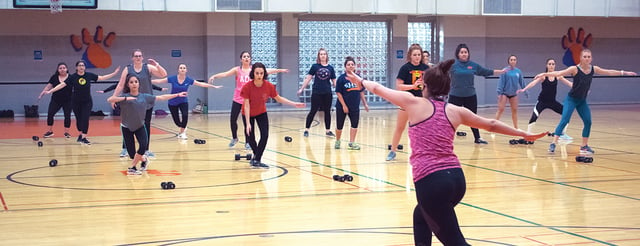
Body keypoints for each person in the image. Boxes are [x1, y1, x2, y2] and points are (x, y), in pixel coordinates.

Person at [345, 59, 547, 246]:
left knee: (456, 242)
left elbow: (378, 88)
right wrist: (523, 133)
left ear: (425, 86)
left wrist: (361, 79)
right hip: (457, 180)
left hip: (433, 184)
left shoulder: (413, 103)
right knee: (421, 217)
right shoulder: (455, 110)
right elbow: (492, 124)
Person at [534, 49, 637, 153]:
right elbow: (559, 73)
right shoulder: (574, 69)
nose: (587, 59)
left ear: (591, 58)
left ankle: (584, 146)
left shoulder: (593, 69)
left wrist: (624, 72)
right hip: (571, 100)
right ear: (581, 58)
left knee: (588, 122)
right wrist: (544, 74)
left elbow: (609, 71)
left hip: (582, 101)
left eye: (589, 57)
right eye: (585, 57)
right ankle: (553, 143)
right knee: (564, 120)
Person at [108, 74, 187, 175]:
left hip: (140, 126)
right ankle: (144, 160)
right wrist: (125, 99)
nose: (134, 84)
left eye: (136, 82)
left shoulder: (144, 97)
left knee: (143, 146)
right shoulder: (125, 97)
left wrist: (177, 95)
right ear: (128, 85)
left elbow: (161, 97)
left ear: (139, 84)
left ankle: (132, 167)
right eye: (131, 82)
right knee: (132, 154)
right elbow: (110, 100)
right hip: (126, 127)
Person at [208, 51, 288, 149]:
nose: (246, 58)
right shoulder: (237, 70)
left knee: (247, 123)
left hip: (249, 101)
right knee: (233, 120)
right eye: (244, 57)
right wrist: (214, 76)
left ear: (250, 59)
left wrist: (281, 70)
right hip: (238, 99)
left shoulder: (253, 70)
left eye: (248, 56)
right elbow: (225, 74)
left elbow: (268, 70)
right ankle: (234, 138)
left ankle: (248, 142)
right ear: (241, 59)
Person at [241, 62, 305, 168]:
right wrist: (248, 123)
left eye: (261, 73)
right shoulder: (247, 87)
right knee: (250, 137)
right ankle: (256, 157)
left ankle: (256, 159)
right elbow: (246, 105)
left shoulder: (268, 86)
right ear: (253, 73)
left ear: (264, 74)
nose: (259, 76)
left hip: (261, 112)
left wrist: (294, 104)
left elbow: (278, 98)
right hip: (248, 113)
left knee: (265, 135)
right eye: (257, 73)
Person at [45, 60, 120, 145]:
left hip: (87, 102)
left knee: (85, 119)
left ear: (85, 67)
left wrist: (114, 73)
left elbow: (102, 77)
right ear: (76, 67)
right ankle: (81, 135)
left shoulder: (89, 75)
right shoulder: (72, 77)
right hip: (75, 102)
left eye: (83, 65)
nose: (81, 67)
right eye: (80, 65)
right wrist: (51, 90)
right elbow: (62, 85)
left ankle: (84, 137)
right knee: (79, 120)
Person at [112, 49, 168, 157]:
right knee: (127, 125)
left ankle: (145, 150)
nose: (138, 58)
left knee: (146, 125)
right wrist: (115, 97)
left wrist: (157, 65)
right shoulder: (128, 69)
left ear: (142, 57)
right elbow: (120, 84)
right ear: (132, 58)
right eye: (136, 56)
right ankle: (125, 149)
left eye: (140, 56)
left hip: (145, 101)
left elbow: (163, 74)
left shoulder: (148, 68)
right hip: (131, 102)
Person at [449, 43, 506, 144]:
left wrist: (500, 72)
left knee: (473, 117)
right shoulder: (453, 66)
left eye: (465, 52)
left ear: (468, 54)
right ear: (458, 54)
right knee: (450, 118)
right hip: (455, 96)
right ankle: (447, 139)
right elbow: (439, 70)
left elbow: (485, 71)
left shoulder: (473, 65)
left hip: (470, 96)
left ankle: (477, 138)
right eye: (461, 52)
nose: (464, 54)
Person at [152, 63, 222, 139]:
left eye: (184, 68)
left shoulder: (189, 80)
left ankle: (182, 133)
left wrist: (213, 86)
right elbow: (160, 81)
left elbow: (201, 84)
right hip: (172, 102)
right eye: (181, 68)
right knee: (177, 122)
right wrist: (149, 81)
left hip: (183, 101)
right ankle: (182, 127)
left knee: (185, 116)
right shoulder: (172, 78)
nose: (182, 69)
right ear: (178, 70)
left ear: (186, 70)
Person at [387, 44, 429, 161]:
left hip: (420, 103)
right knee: (400, 127)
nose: (417, 57)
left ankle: (422, 152)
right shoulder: (405, 68)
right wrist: (413, 86)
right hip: (406, 101)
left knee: (421, 129)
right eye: (414, 55)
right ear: (410, 56)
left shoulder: (426, 68)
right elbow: (399, 86)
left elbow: (430, 86)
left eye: (419, 55)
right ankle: (393, 151)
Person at [517, 58, 574, 139]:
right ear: (547, 65)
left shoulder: (558, 76)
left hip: (552, 102)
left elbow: (569, 83)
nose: (551, 66)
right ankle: (528, 134)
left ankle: (562, 133)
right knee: (534, 116)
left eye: (553, 64)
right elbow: (533, 83)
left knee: (566, 113)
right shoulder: (543, 76)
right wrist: (524, 89)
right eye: (549, 64)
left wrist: (580, 88)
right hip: (542, 102)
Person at [297, 48, 337, 138]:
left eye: (324, 54)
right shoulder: (315, 66)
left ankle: (328, 130)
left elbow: (334, 81)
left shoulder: (330, 68)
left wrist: (339, 91)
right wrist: (301, 88)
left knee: (327, 111)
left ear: (327, 56)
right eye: (321, 54)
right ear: (319, 56)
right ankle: (306, 129)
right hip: (317, 92)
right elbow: (308, 78)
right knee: (313, 111)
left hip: (327, 93)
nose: (323, 55)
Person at [334, 56, 369, 150]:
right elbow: (338, 93)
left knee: (354, 124)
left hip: (354, 106)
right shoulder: (341, 78)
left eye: (352, 64)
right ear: (345, 67)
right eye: (348, 64)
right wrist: (344, 105)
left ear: (355, 66)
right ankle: (337, 140)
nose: (350, 66)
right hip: (342, 106)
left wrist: (365, 103)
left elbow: (361, 91)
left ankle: (351, 143)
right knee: (339, 125)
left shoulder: (359, 79)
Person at [38, 62, 72, 138]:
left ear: (67, 69)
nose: (62, 69)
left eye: (64, 68)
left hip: (68, 100)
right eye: (60, 68)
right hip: (56, 100)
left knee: (67, 115)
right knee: (50, 114)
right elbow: (48, 87)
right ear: (58, 70)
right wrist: (42, 94)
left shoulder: (71, 77)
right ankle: (50, 131)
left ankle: (66, 132)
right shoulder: (54, 77)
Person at [495, 55, 525, 129]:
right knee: (501, 109)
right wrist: (499, 93)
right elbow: (501, 82)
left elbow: (522, 82)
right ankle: (494, 126)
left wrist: (525, 90)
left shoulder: (518, 71)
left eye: (514, 59)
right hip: (504, 93)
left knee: (514, 110)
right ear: (509, 61)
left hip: (514, 94)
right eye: (511, 59)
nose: (513, 61)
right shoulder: (505, 70)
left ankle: (516, 128)